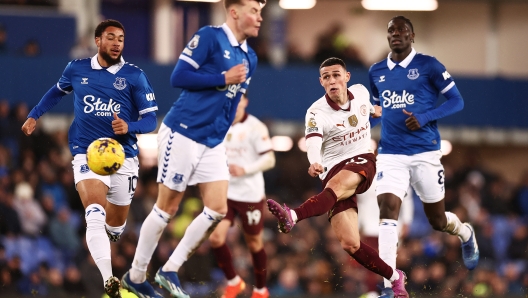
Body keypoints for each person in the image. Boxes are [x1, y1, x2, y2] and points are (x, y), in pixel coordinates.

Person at [120, 1, 266, 297]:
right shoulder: (210, 37)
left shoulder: (250, 56)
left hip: (212, 141)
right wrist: (221, 78)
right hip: (183, 131)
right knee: (168, 207)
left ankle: (170, 269)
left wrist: (224, 127)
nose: (259, 17)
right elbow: (179, 77)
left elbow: (235, 99)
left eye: (261, 11)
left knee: (217, 209)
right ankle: (135, 275)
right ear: (234, 11)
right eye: (253, 10)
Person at [21, 19, 158, 298]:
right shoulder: (77, 68)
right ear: (98, 41)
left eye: (121, 38)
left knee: (116, 226)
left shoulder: (134, 76)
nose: (117, 42)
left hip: (124, 157)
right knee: (94, 213)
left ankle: (113, 233)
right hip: (86, 151)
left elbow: (151, 120)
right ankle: (110, 279)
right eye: (111, 37)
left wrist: (129, 127)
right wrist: (35, 114)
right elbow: (56, 92)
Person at [266, 57, 409, 298]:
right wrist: (314, 161)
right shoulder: (315, 112)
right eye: (327, 77)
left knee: (336, 184)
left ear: (347, 77)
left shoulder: (361, 93)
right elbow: (313, 141)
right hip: (332, 170)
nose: (332, 80)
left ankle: (293, 215)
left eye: (336, 75)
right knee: (350, 244)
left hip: (363, 160)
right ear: (321, 81)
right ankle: (395, 278)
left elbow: (374, 111)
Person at [368, 15, 479, 293]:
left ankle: (466, 233)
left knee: (437, 220)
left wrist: (425, 116)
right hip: (390, 154)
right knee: (387, 210)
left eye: (402, 30)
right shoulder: (376, 71)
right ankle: (388, 284)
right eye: (391, 30)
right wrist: (357, 132)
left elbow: (457, 100)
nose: (396, 34)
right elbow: (377, 111)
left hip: (425, 153)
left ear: (412, 36)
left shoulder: (429, 65)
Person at [208, 93, 275, 298]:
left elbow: (270, 160)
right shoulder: (219, 123)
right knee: (215, 238)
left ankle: (261, 289)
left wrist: (245, 169)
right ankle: (233, 281)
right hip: (225, 192)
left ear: (245, 102)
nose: (234, 105)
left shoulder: (256, 127)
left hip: (250, 195)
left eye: (239, 100)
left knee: (254, 243)